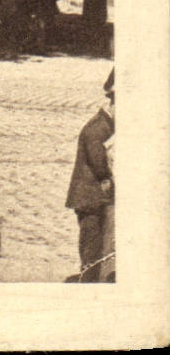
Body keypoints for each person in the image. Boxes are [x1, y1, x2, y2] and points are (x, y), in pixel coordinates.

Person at [66, 69, 115, 282]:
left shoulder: (106, 125)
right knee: (91, 244)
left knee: (98, 243)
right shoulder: (98, 129)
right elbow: (99, 166)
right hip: (89, 198)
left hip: (95, 197)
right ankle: (88, 282)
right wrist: (109, 180)